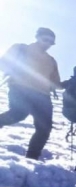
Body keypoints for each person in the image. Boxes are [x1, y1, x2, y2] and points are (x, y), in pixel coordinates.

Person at [0, 28, 63, 160]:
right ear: (37, 37)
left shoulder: (51, 60)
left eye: (51, 42)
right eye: (45, 39)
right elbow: (4, 63)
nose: (47, 44)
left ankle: (32, 158)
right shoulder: (21, 48)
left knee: (45, 128)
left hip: (43, 95)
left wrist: (70, 84)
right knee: (18, 113)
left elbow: (56, 83)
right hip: (20, 88)